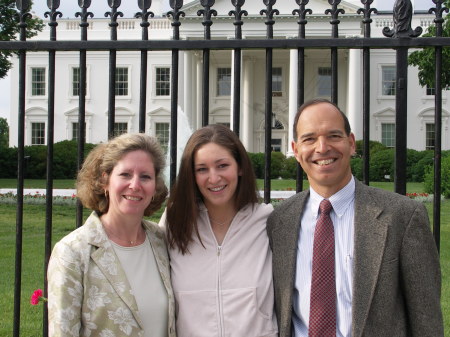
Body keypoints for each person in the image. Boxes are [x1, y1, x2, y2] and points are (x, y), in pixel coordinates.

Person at [267, 98, 443, 337]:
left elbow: (426, 320)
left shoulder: (402, 216)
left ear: (351, 143)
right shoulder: (279, 221)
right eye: (309, 139)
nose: (322, 148)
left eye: (334, 136)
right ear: (296, 151)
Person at [47, 133, 176, 337]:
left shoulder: (160, 240)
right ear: (104, 180)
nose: (135, 185)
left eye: (145, 176)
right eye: (125, 174)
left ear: (154, 186)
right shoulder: (72, 253)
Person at [160, 124, 278, 337]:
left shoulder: (267, 222)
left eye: (222, 165)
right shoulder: (175, 222)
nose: (213, 178)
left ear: (239, 167)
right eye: (202, 169)